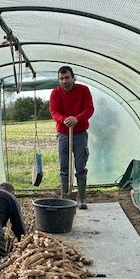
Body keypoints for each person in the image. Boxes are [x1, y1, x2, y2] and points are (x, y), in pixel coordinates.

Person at [49, 66, 94, 208]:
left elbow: (89, 108)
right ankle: (64, 198)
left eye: (67, 77)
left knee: (80, 166)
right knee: (64, 167)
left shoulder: (83, 90)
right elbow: (54, 111)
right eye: (61, 79)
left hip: (80, 134)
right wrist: (64, 119)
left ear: (73, 77)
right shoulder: (55, 93)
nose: (64, 81)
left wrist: (77, 118)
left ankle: (81, 199)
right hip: (63, 134)